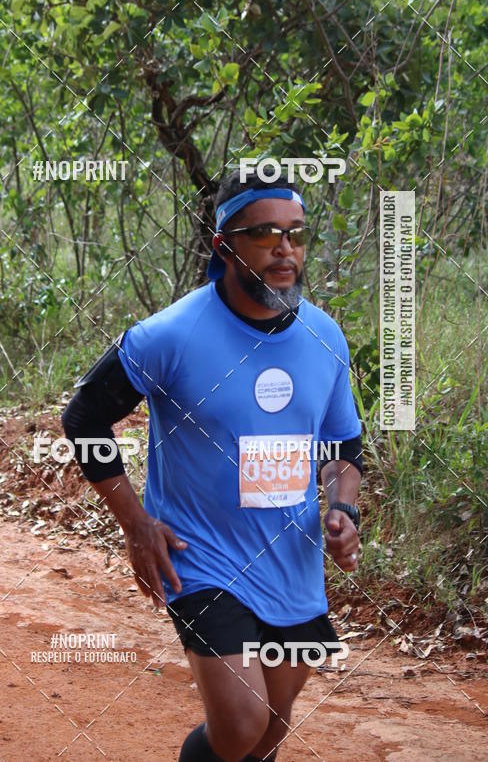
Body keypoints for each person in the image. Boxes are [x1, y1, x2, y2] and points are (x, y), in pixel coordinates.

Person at [62, 169, 363, 762]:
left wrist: (342, 508)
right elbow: (83, 419)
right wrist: (136, 522)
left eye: (297, 235)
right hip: (202, 560)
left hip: (291, 563)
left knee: (270, 730)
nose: (285, 249)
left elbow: (342, 448)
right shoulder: (169, 335)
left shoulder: (325, 337)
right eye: (266, 234)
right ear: (225, 246)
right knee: (239, 723)